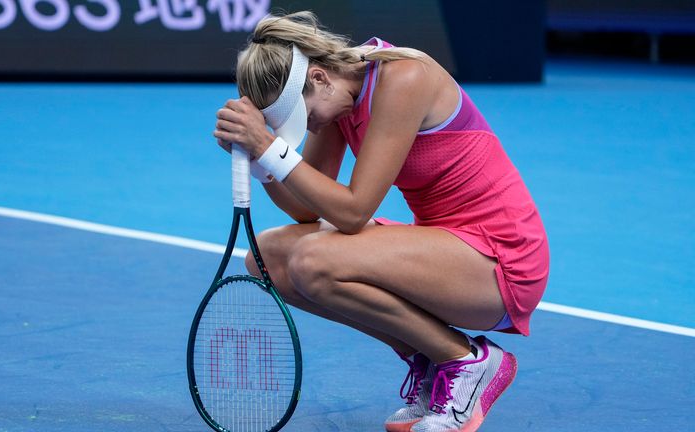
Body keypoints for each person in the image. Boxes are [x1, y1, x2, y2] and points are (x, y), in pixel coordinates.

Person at [213, 11, 549, 432]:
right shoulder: (336, 100)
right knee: (268, 257)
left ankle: (467, 362)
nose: (307, 126)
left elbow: (352, 213)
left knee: (313, 260)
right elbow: (306, 210)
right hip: (447, 252)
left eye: (302, 115)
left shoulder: (404, 78)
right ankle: (432, 364)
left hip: (501, 264)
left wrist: (270, 149)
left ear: (319, 77)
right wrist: (262, 160)